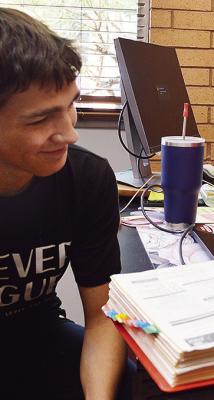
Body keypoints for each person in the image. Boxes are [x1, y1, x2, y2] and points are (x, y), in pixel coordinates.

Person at [0, 8, 133, 399]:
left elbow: (102, 319)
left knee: (136, 384)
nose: (69, 134)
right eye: (41, 119)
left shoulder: (86, 179)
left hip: (39, 334)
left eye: (70, 104)